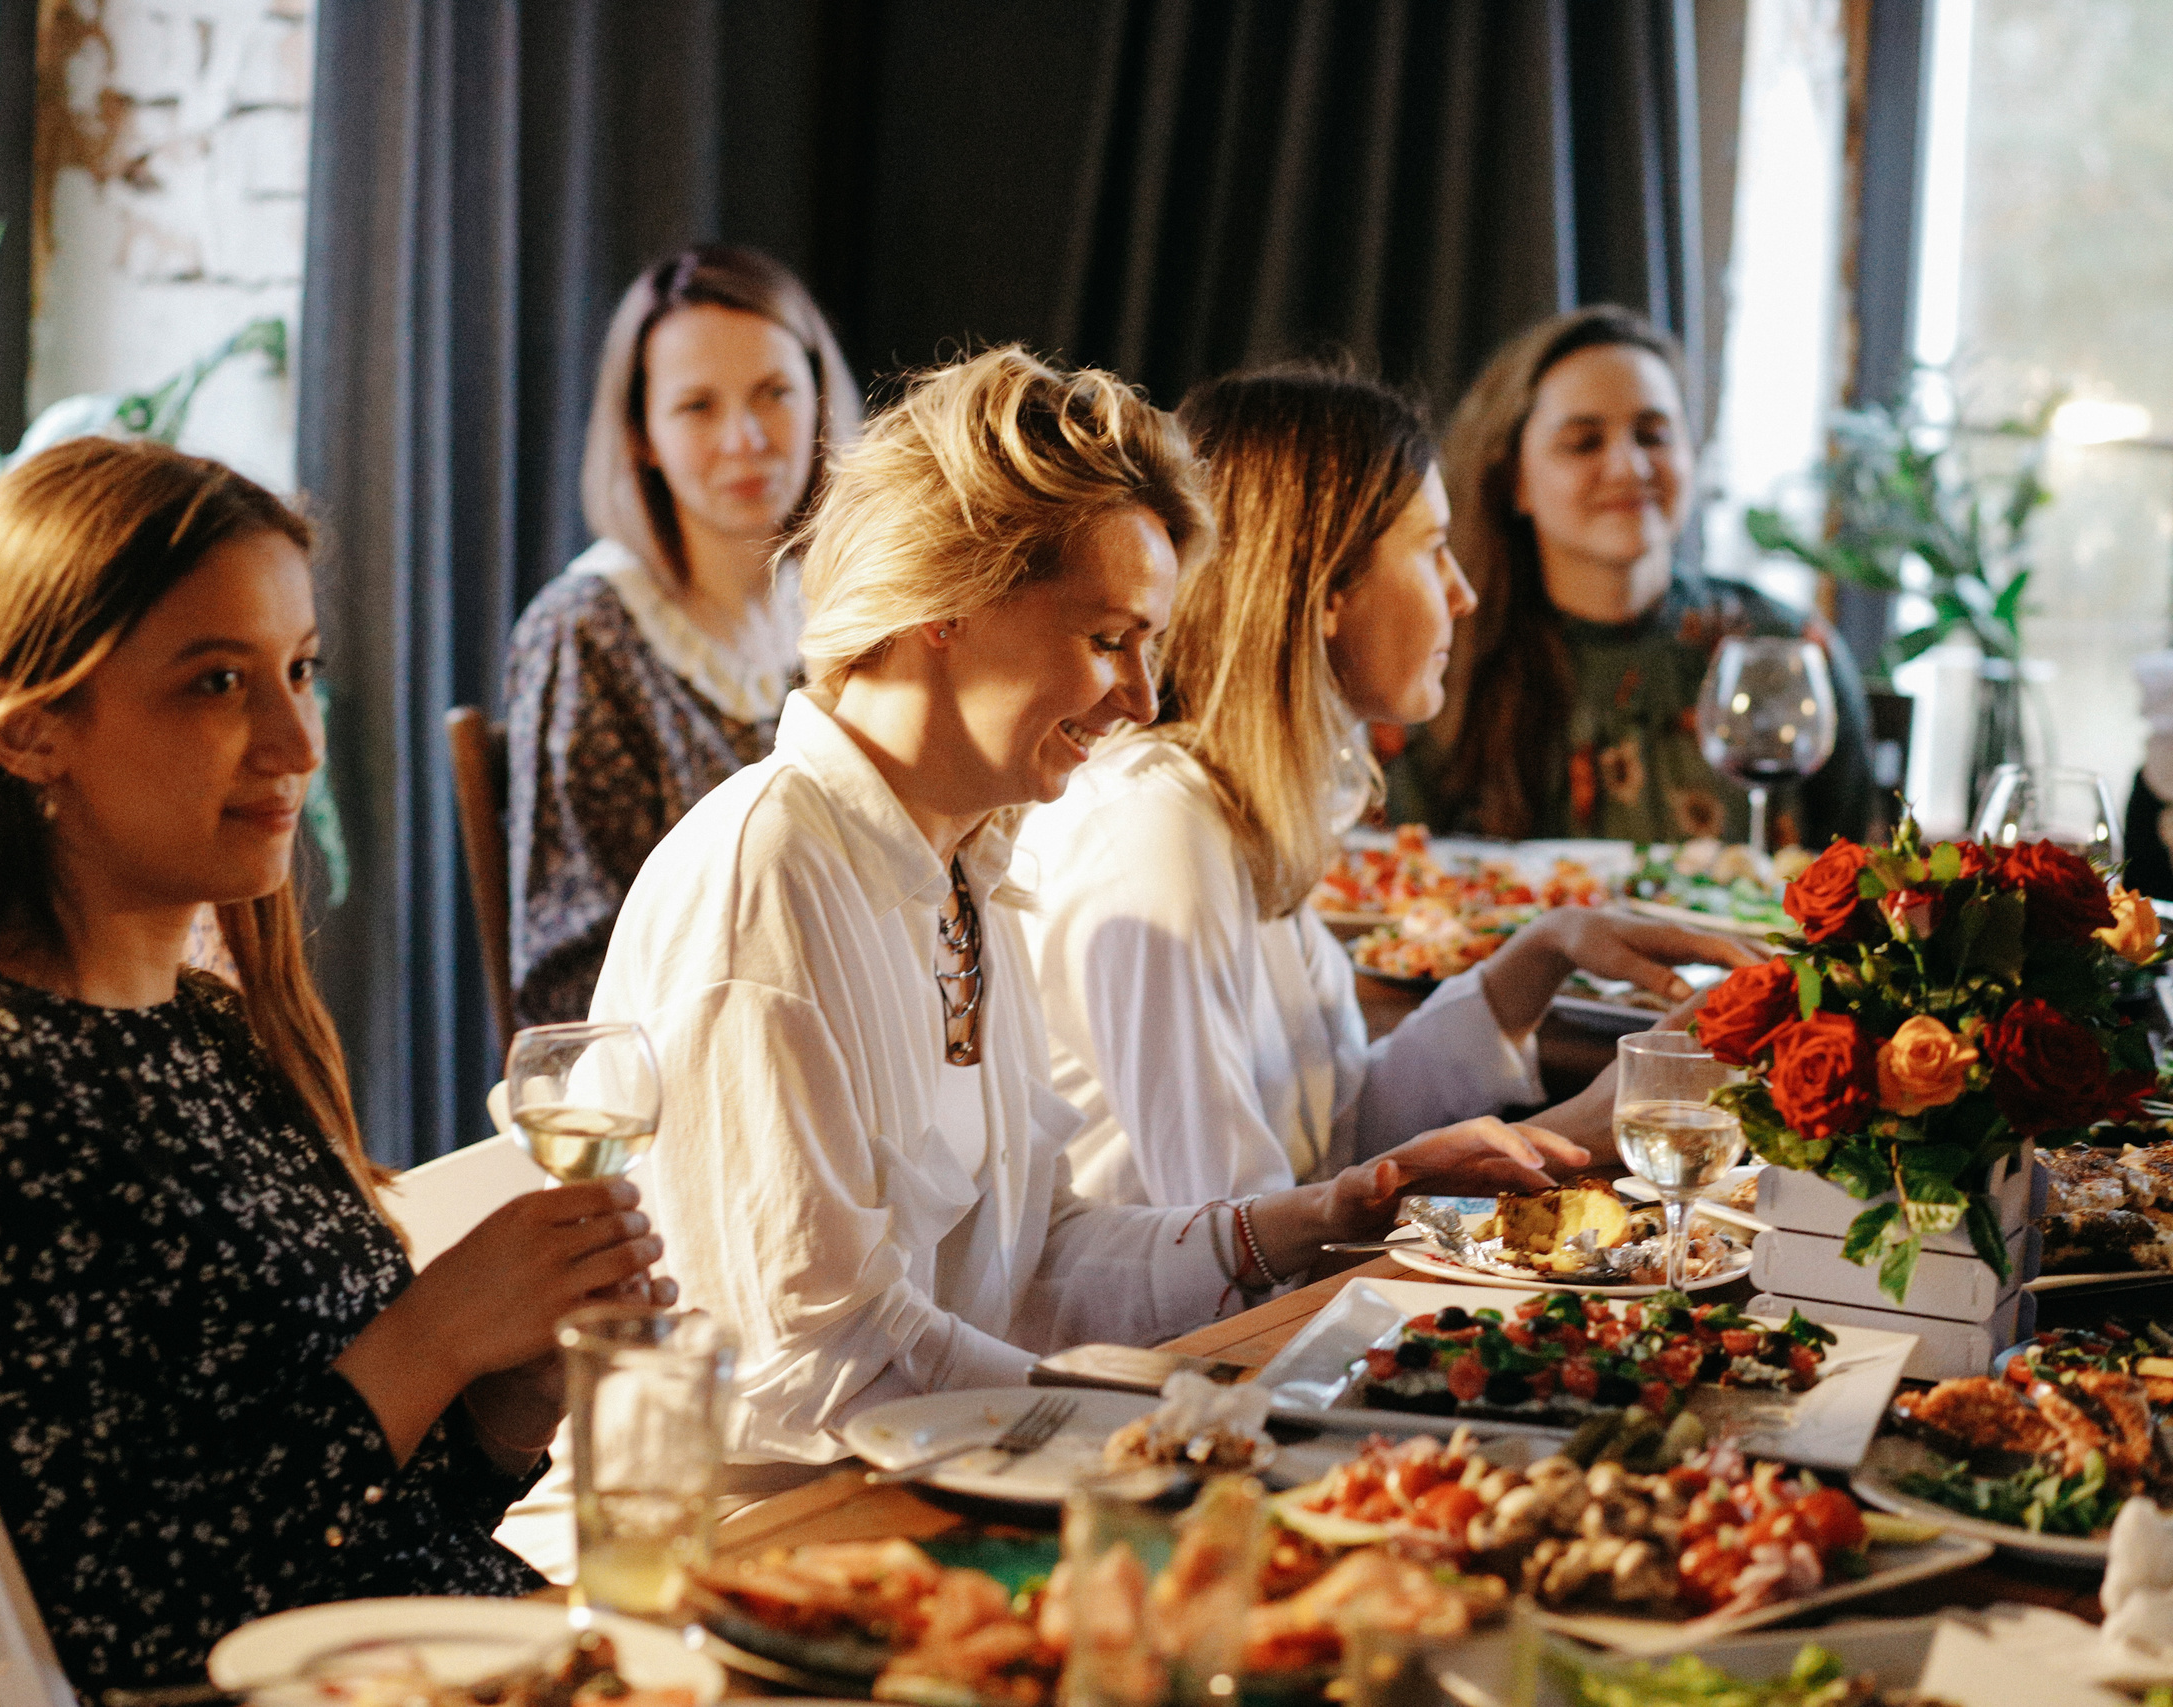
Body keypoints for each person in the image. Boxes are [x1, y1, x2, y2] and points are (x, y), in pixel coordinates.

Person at [588, 348, 1586, 1468]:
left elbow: (1042, 1256)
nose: (1144, 699)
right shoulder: (769, 874)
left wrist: (1324, 1213)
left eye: (1150, 644)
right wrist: (1138, 1423)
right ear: (946, 601)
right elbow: (815, 1364)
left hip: (946, 1466)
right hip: (740, 1523)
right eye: (1107, 639)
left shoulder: (972, 860)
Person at [0, 440, 668, 1699]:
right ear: (32, 732)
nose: (297, 741)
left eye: (300, 670)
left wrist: (508, 1400)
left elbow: (359, 1530)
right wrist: (433, 1336)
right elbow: (118, 1618)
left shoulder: (209, 1030)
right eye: (215, 683)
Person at [1012, 364, 1761, 1207]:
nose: (1462, 594)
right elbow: (1238, 1235)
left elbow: (1345, 1130)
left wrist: (1542, 953)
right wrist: (1585, 1131)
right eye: (1433, 550)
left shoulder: (1243, 809)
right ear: (1329, 588)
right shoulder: (1154, 832)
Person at [505, 245, 862, 1025]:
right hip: (682, 1057)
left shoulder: (850, 602)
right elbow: (572, 971)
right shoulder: (586, 631)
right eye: (698, 406)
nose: (745, 437)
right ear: (640, 435)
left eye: (774, 393)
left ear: (820, 400)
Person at [1377, 305, 1872, 847]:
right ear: (1515, 479)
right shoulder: (1438, 659)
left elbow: (1859, 876)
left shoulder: (1789, 651)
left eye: (1653, 435)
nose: (1629, 467)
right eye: (1583, 442)